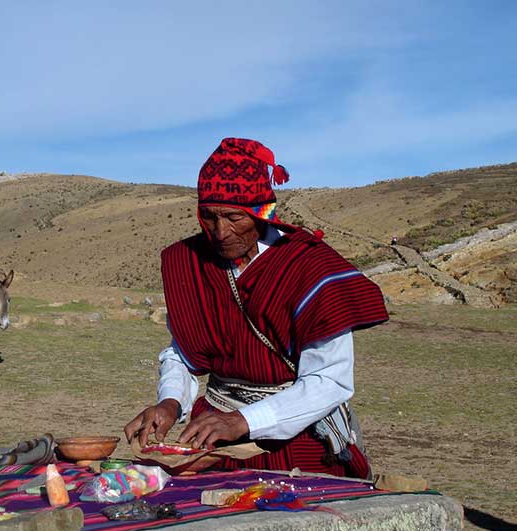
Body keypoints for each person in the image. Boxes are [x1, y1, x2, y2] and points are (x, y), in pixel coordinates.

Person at [123, 138, 389, 479]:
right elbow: (184, 351)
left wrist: (244, 421)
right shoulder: (189, 262)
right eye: (209, 217)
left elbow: (328, 381)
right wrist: (171, 402)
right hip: (214, 434)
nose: (220, 232)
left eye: (234, 218)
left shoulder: (309, 267)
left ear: (260, 212)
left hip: (297, 439)